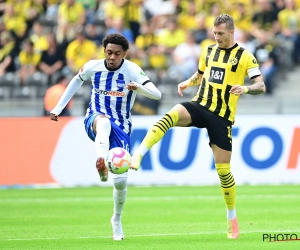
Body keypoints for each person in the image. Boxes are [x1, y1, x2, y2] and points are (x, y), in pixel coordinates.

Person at [130, 14, 266, 239]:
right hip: (200, 105)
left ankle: (231, 217)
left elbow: (260, 84)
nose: (216, 37)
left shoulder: (244, 56)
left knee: (223, 171)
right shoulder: (208, 51)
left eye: (221, 33)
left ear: (231, 32)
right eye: (214, 33)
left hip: (222, 117)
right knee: (171, 114)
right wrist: (188, 82)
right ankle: (139, 153)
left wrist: (246, 89)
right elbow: (201, 74)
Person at [49, 33, 161, 240]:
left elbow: (157, 94)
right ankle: (101, 160)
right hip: (95, 119)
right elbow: (75, 81)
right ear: (104, 51)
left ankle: (116, 220)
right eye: (109, 52)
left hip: (122, 127)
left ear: (124, 54)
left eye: (117, 54)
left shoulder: (132, 70)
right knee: (104, 122)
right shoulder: (93, 66)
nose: (112, 57)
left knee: (121, 182)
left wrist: (139, 87)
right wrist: (58, 108)